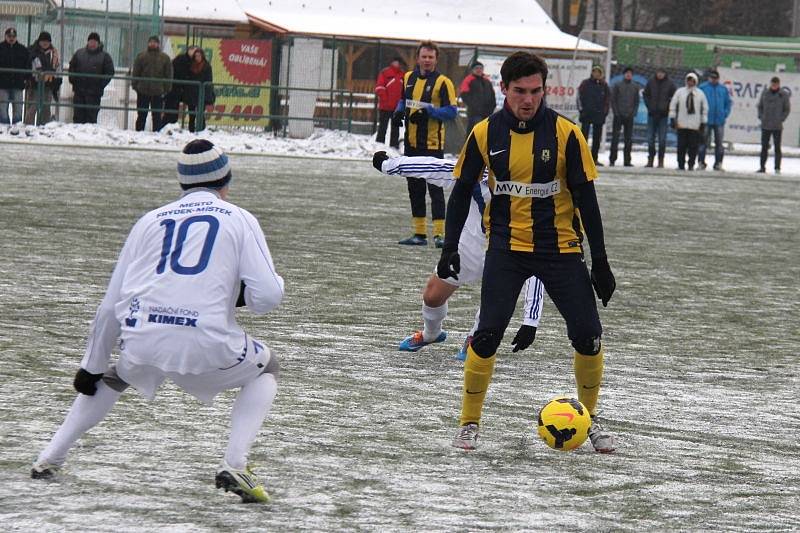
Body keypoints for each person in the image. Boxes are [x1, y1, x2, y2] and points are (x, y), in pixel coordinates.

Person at [31, 139, 285, 504]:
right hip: (206, 341)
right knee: (267, 368)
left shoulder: (149, 220)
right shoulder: (241, 219)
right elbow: (267, 298)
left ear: (182, 183)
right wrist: (247, 292)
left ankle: (49, 458)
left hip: (144, 336)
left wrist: (91, 365)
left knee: (113, 376)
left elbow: (110, 306)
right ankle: (235, 463)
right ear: (225, 180)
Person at [437, 51, 616, 453]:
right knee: (486, 336)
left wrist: (601, 260)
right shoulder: (485, 133)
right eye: (520, 91)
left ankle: (587, 420)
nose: (529, 99)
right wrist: (449, 245)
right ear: (505, 89)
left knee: (588, 336)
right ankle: (469, 423)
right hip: (507, 248)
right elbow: (462, 189)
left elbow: (587, 200)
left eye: (536, 91)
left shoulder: (567, 134)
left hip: (561, 249)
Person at [372, 151, 544, 360]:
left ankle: (474, 337)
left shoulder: (534, 184)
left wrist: (531, 320)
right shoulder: (474, 170)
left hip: (509, 251)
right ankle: (431, 334)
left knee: (493, 298)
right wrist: (389, 165)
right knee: (432, 296)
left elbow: (538, 262)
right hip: (469, 247)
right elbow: (433, 167)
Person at [392, 41, 457, 248]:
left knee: (435, 188)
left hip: (432, 144)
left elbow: (452, 111)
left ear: (436, 59)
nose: (427, 60)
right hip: (411, 143)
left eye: (431, 57)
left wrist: (430, 111)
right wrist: (398, 111)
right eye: (424, 56)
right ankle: (419, 233)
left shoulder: (443, 82)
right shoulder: (408, 78)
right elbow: (404, 100)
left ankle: (440, 235)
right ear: (418, 58)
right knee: (414, 187)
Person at [68, 32, 114, 124]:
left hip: (94, 93)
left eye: (94, 42)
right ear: (88, 42)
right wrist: (73, 80)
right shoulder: (79, 53)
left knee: (91, 117)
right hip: (79, 91)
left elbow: (109, 72)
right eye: (91, 41)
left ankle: (89, 137)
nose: (92, 44)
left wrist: (100, 85)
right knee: (78, 116)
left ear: (98, 43)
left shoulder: (105, 56)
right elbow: (72, 67)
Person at [132, 35, 172, 131]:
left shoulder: (165, 58)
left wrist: (166, 89)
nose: (153, 44)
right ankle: (139, 132)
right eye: (151, 42)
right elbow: (136, 73)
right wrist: (136, 86)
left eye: (155, 42)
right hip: (143, 90)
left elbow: (168, 75)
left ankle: (156, 133)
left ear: (158, 44)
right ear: (148, 43)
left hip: (158, 91)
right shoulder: (141, 56)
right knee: (141, 114)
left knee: (157, 115)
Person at [668, 72, 708, 171]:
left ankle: (691, 164)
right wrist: (672, 118)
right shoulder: (680, 92)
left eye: (692, 81)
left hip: (694, 125)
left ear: (696, 82)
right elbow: (673, 105)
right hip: (682, 123)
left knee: (693, 146)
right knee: (681, 146)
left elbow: (705, 108)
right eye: (689, 80)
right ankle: (680, 164)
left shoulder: (700, 94)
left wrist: (703, 122)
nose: (690, 82)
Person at [698, 69, 731, 171]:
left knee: (719, 143)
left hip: (719, 120)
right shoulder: (703, 88)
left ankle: (718, 163)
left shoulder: (723, 89)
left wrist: (724, 114)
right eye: (712, 78)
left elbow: (728, 103)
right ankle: (701, 162)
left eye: (715, 78)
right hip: (706, 119)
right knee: (702, 142)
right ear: (709, 78)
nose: (713, 80)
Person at [24, 31, 60, 126]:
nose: (45, 43)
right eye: (43, 40)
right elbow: (27, 65)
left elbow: (56, 67)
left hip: (48, 84)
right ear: (39, 41)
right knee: (32, 107)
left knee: (46, 108)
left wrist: (56, 81)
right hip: (34, 84)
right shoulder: (31, 51)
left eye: (47, 41)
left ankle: (43, 126)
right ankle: (28, 126)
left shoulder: (54, 52)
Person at [642, 67, 676, 168]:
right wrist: (649, 106)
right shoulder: (651, 82)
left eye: (662, 73)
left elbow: (674, 97)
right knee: (650, 139)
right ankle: (650, 159)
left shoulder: (670, 83)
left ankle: (661, 160)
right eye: (659, 72)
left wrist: (667, 107)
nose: (660, 74)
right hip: (652, 115)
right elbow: (645, 95)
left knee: (662, 139)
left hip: (663, 116)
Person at [757, 76, 791, 174]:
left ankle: (777, 167)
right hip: (766, 125)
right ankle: (762, 167)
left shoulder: (783, 95)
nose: (774, 86)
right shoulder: (765, 93)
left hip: (777, 126)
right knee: (764, 147)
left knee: (777, 148)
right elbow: (760, 106)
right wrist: (761, 117)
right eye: (772, 84)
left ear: (779, 85)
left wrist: (781, 119)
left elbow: (787, 109)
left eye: (776, 84)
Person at [577, 65, 610, 165]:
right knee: (583, 138)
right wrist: (581, 110)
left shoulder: (604, 85)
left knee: (597, 139)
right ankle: (582, 159)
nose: (596, 74)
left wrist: (604, 113)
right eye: (594, 71)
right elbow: (579, 97)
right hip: (586, 115)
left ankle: (594, 159)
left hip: (599, 116)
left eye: (598, 72)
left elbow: (608, 100)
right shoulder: (585, 83)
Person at [0, 27, 31, 127]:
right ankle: (4, 127)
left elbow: (28, 65)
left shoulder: (22, 50)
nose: (11, 38)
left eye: (13, 36)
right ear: (5, 36)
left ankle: (17, 127)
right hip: (3, 84)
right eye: (9, 36)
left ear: (16, 37)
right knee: (2, 108)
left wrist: (27, 78)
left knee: (18, 108)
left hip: (18, 84)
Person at [609, 66, 639, 167]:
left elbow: (636, 101)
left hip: (629, 116)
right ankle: (612, 159)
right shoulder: (617, 85)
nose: (628, 75)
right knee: (615, 138)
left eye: (630, 73)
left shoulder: (635, 86)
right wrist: (616, 112)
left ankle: (627, 160)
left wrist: (633, 113)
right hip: (618, 115)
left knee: (628, 139)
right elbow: (613, 100)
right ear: (624, 74)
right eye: (627, 73)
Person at [162, 44, 198, 126]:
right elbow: (176, 72)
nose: (194, 53)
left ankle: (188, 127)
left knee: (189, 110)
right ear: (189, 50)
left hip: (186, 90)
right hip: (175, 88)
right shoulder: (181, 59)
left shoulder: (195, 62)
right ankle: (165, 125)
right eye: (193, 50)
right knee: (171, 109)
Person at [374, 56, 405, 149]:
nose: (397, 64)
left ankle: (394, 146)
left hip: (397, 107)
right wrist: (385, 100)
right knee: (383, 127)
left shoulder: (403, 75)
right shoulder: (385, 73)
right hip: (385, 107)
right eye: (395, 62)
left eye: (398, 62)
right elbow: (379, 88)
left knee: (396, 128)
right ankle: (379, 145)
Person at [459, 61, 497, 134]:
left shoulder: (487, 81)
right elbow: (464, 94)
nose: (479, 70)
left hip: (487, 112)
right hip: (474, 113)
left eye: (480, 68)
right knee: (474, 131)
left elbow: (492, 95)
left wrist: (492, 106)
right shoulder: (468, 79)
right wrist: (473, 106)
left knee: (484, 132)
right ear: (472, 70)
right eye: (477, 68)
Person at [183, 47, 214, 133]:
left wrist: (208, 96)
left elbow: (209, 81)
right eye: (196, 56)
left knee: (200, 114)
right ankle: (191, 131)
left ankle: (201, 131)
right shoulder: (190, 66)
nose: (197, 58)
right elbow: (187, 78)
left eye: (199, 56)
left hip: (201, 94)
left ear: (202, 56)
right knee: (191, 114)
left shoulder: (207, 66)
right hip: (191, 93)